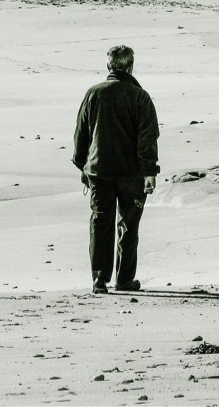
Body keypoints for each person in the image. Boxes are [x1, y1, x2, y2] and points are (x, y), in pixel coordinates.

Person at [73, 45, 160, 294]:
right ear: (131, 66)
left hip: (99, 171)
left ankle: (99, 279)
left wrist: (82, 165)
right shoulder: (139, 96)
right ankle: (124, 279)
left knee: (101, 223)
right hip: (131, 173)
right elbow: (148, 138)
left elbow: (81, 134)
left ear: (109, 66)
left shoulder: (93, 93)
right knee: (128, 226)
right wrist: (150, 172)